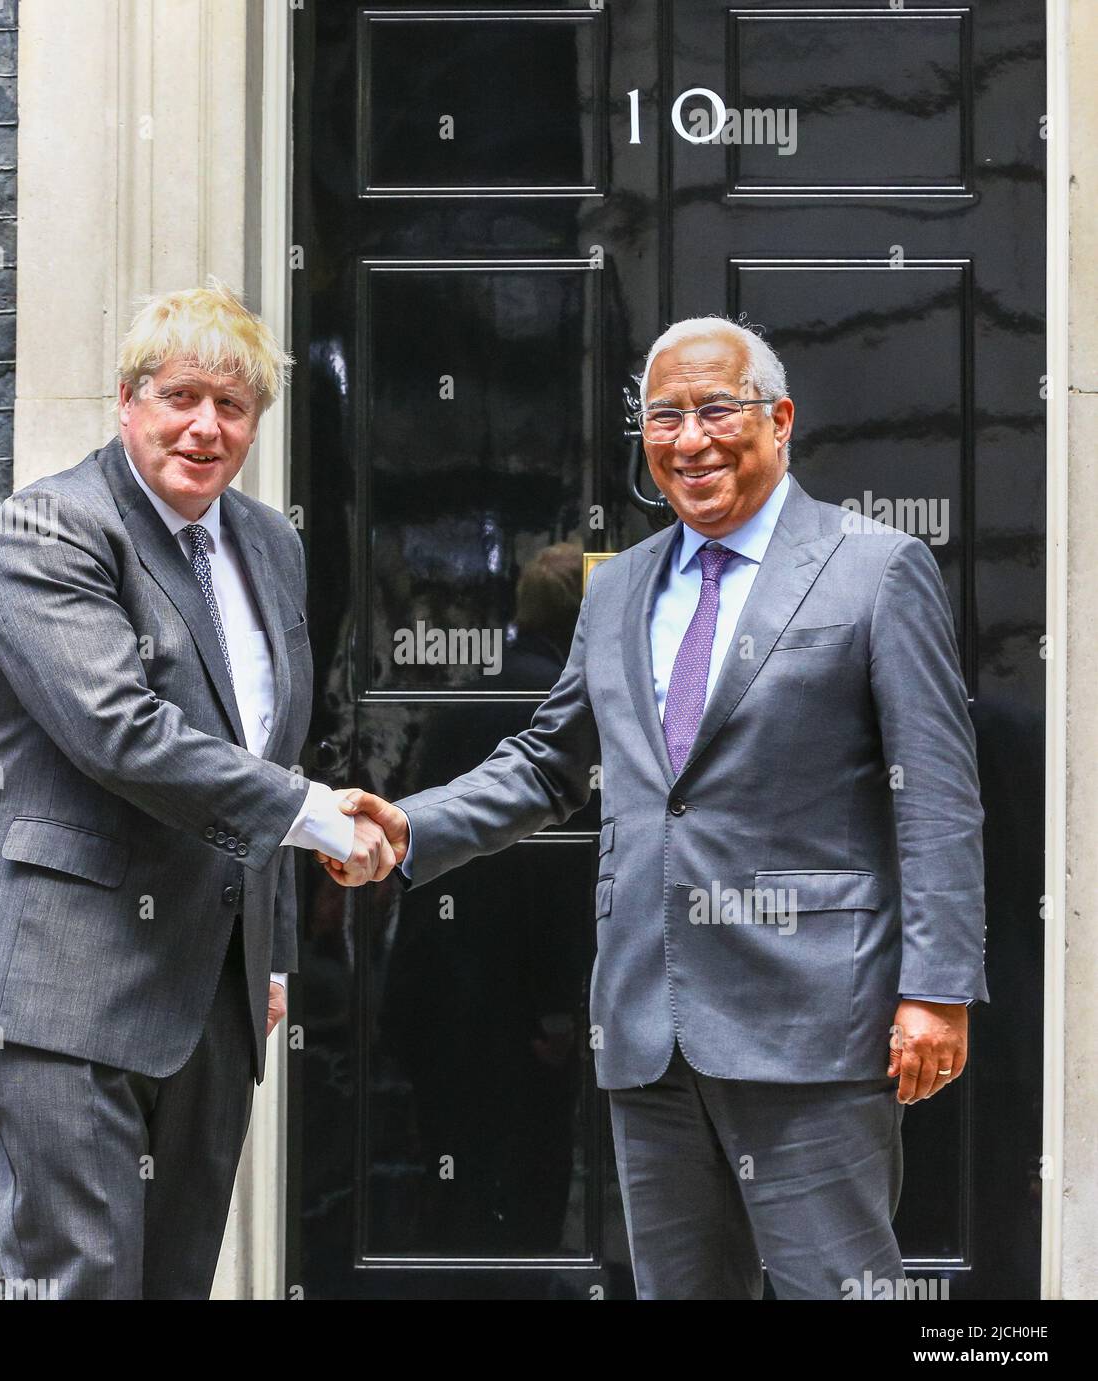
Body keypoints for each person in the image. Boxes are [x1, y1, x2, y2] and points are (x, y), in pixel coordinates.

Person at [323, 316, 987, 1300]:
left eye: (717, 408)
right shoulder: (617, 589)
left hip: (812, 1025)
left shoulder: (875, 570)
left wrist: (936, 985)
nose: (690, 439)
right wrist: (409, 824)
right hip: (648, 1026)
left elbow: (936, 790)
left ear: (781, 419)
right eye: (665, 416)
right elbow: (548, 762)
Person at [0, 278, 395, 1299]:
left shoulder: (269, 543)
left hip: (211, 988)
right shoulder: (51, 529)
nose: (204, 426)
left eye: (231, 407)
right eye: (180, 396)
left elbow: (268, 740)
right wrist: (316, 813)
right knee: (90, 1279)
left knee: (172, 1281)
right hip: (65, 982)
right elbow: (120, 731)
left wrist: (271, 951)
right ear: (127, 401)